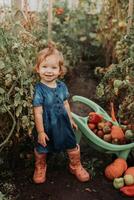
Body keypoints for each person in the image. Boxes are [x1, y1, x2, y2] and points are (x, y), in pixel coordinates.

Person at [32, 41, 90, 184]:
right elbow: (38, 112)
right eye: (44, 67)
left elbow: (65, 104)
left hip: (63, 123)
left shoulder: (62, 86)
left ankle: (75, 165)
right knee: (42, 147)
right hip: (47, 126)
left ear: (60, 70)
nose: (49, 71)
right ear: (38, 69)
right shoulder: (39, 89)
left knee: (71, 143)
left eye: (53, 67)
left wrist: (69, 119)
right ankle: (40, 166)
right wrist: (40, 131)